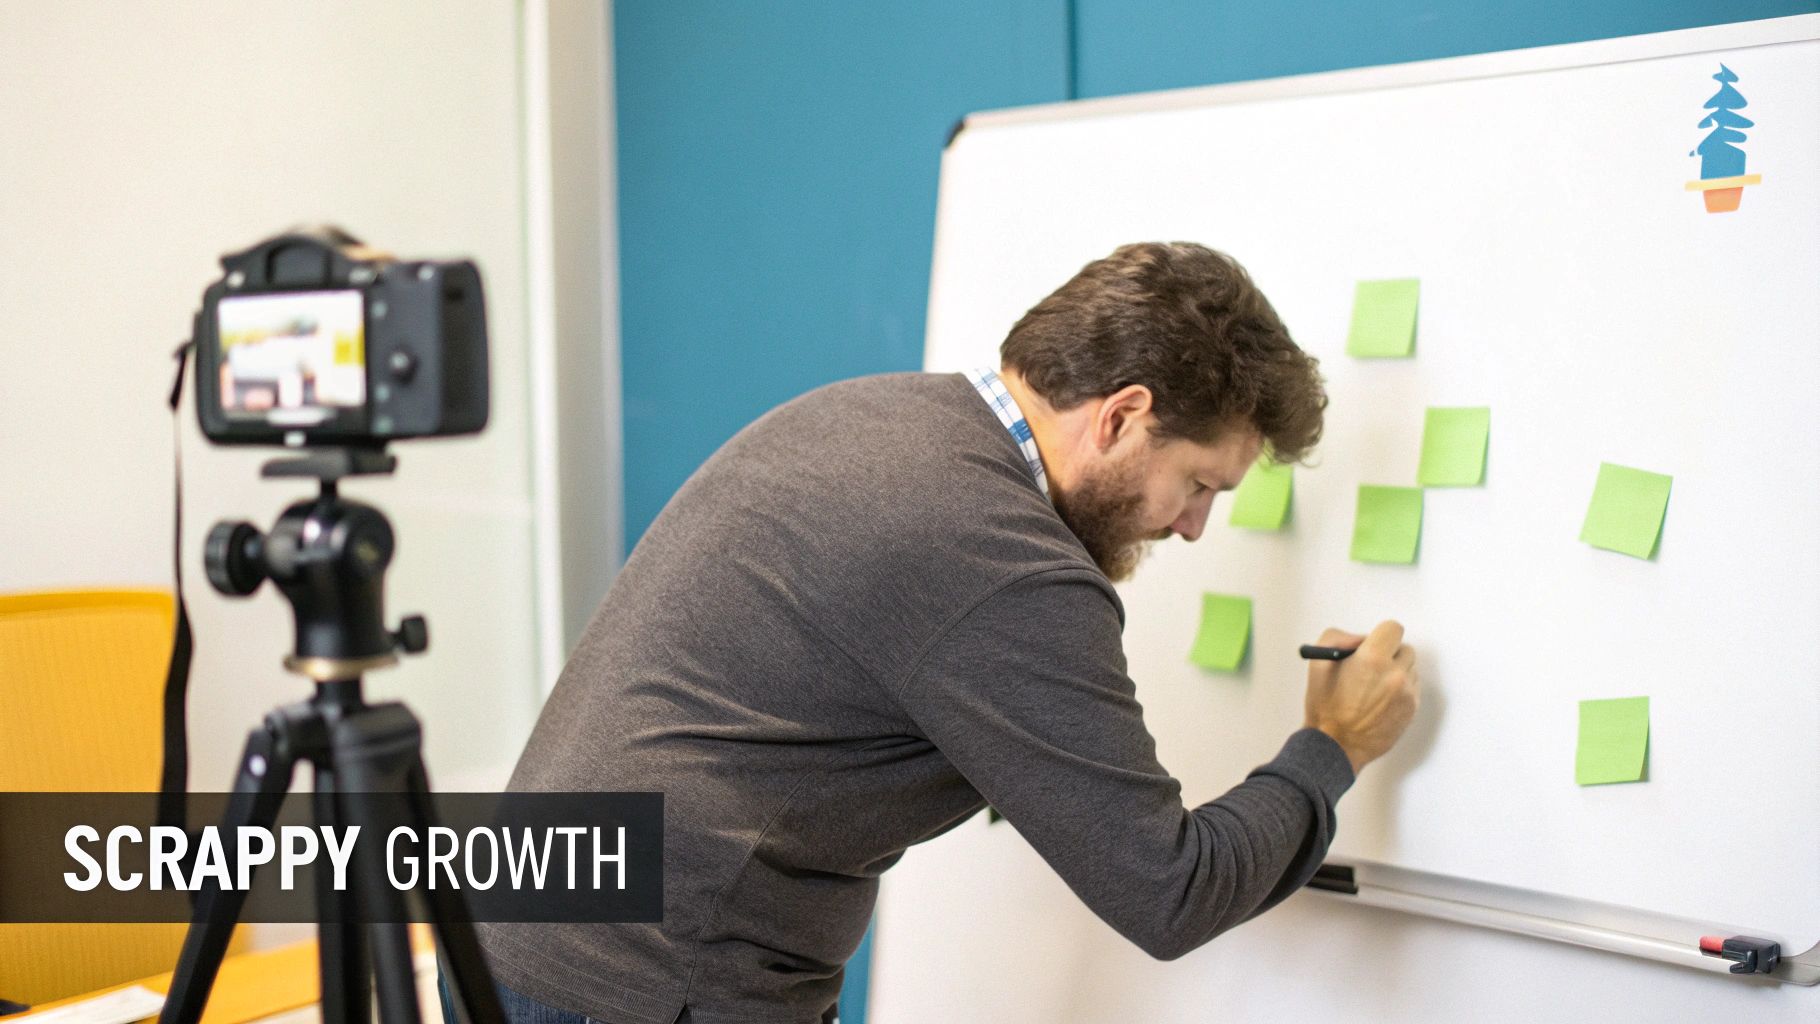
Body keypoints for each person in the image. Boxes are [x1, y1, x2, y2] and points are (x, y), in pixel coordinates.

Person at [471, 242, 1420, 1024]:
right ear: (1124, 416)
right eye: (1201, 483)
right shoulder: (1000, 561)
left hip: (526, 942)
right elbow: (1168, 889)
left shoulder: (881, 416)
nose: (1192, 526)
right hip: (646, 989)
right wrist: (1331, 749)